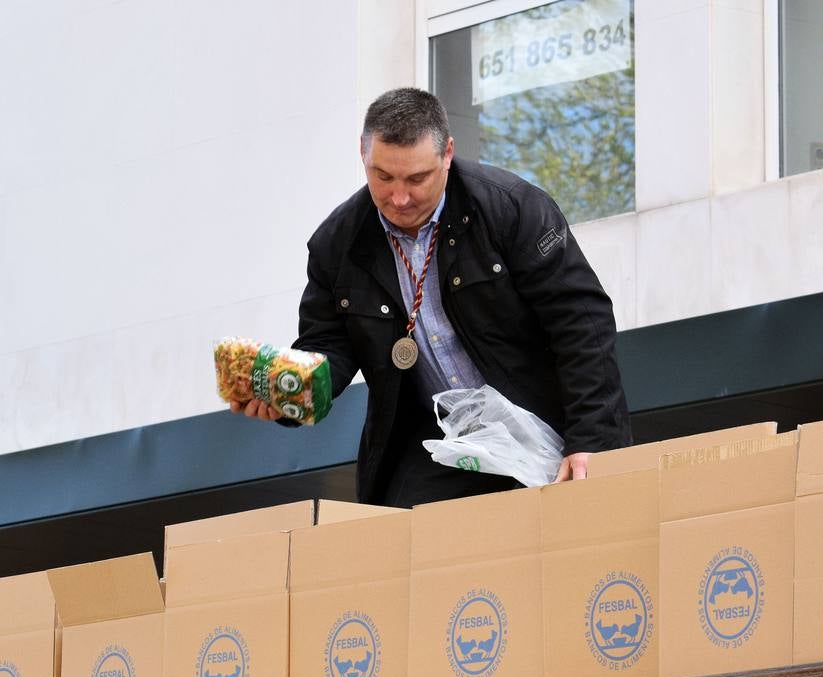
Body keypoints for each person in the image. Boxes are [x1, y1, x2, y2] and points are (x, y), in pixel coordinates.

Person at [230, 87, 631, 507]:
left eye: (417, 179)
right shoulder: (336, 246)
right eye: (382, 177)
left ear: (447, 154)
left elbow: (582, 322)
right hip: (433, 448)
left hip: (545, 427)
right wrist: (289, 394)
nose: (398, 198)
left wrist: (593, 440)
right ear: (362, 155)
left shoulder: (510, 207)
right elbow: (329, 347)